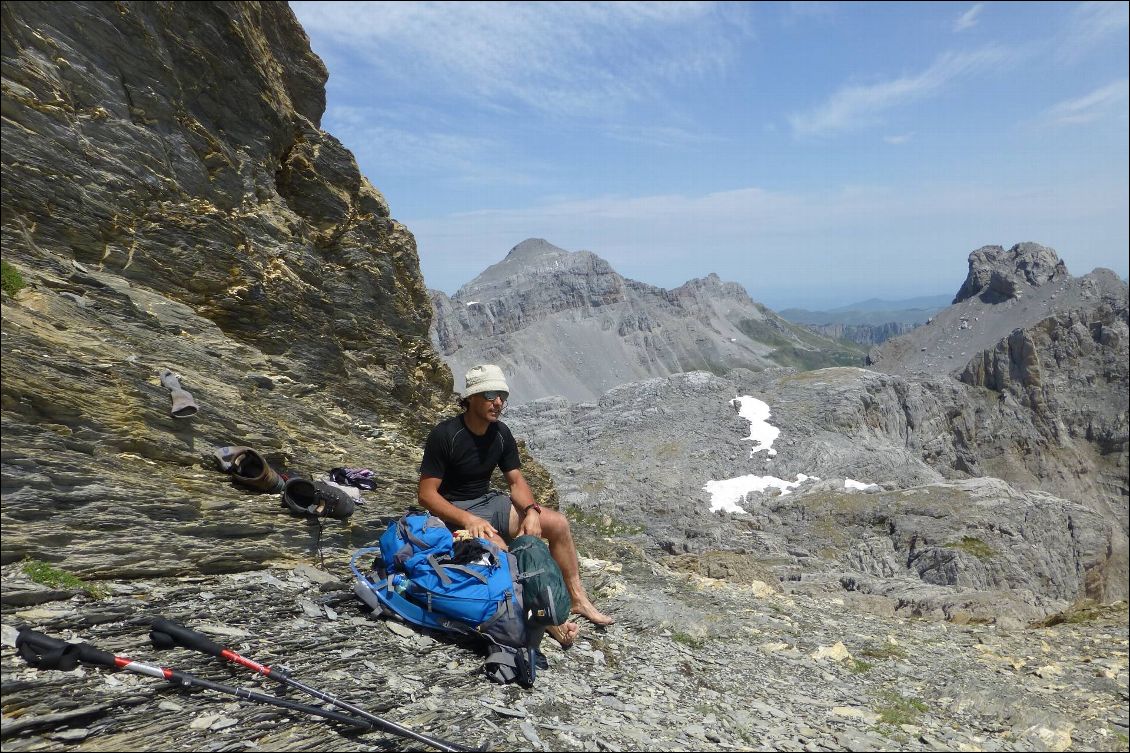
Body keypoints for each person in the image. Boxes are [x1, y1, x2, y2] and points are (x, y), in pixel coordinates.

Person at [418, 364, 614, 647]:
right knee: (505, 556)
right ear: (471, 397)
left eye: (502, 396)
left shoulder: (500, 434)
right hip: (455, 512)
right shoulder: (446, 435)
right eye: (490, 394)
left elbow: (516, 481)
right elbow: (426, 495)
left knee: (557, 523)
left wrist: (532, 511)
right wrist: (466, 520)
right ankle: (547, 619)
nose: (498, 402)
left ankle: (577, 599)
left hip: (489, 503)